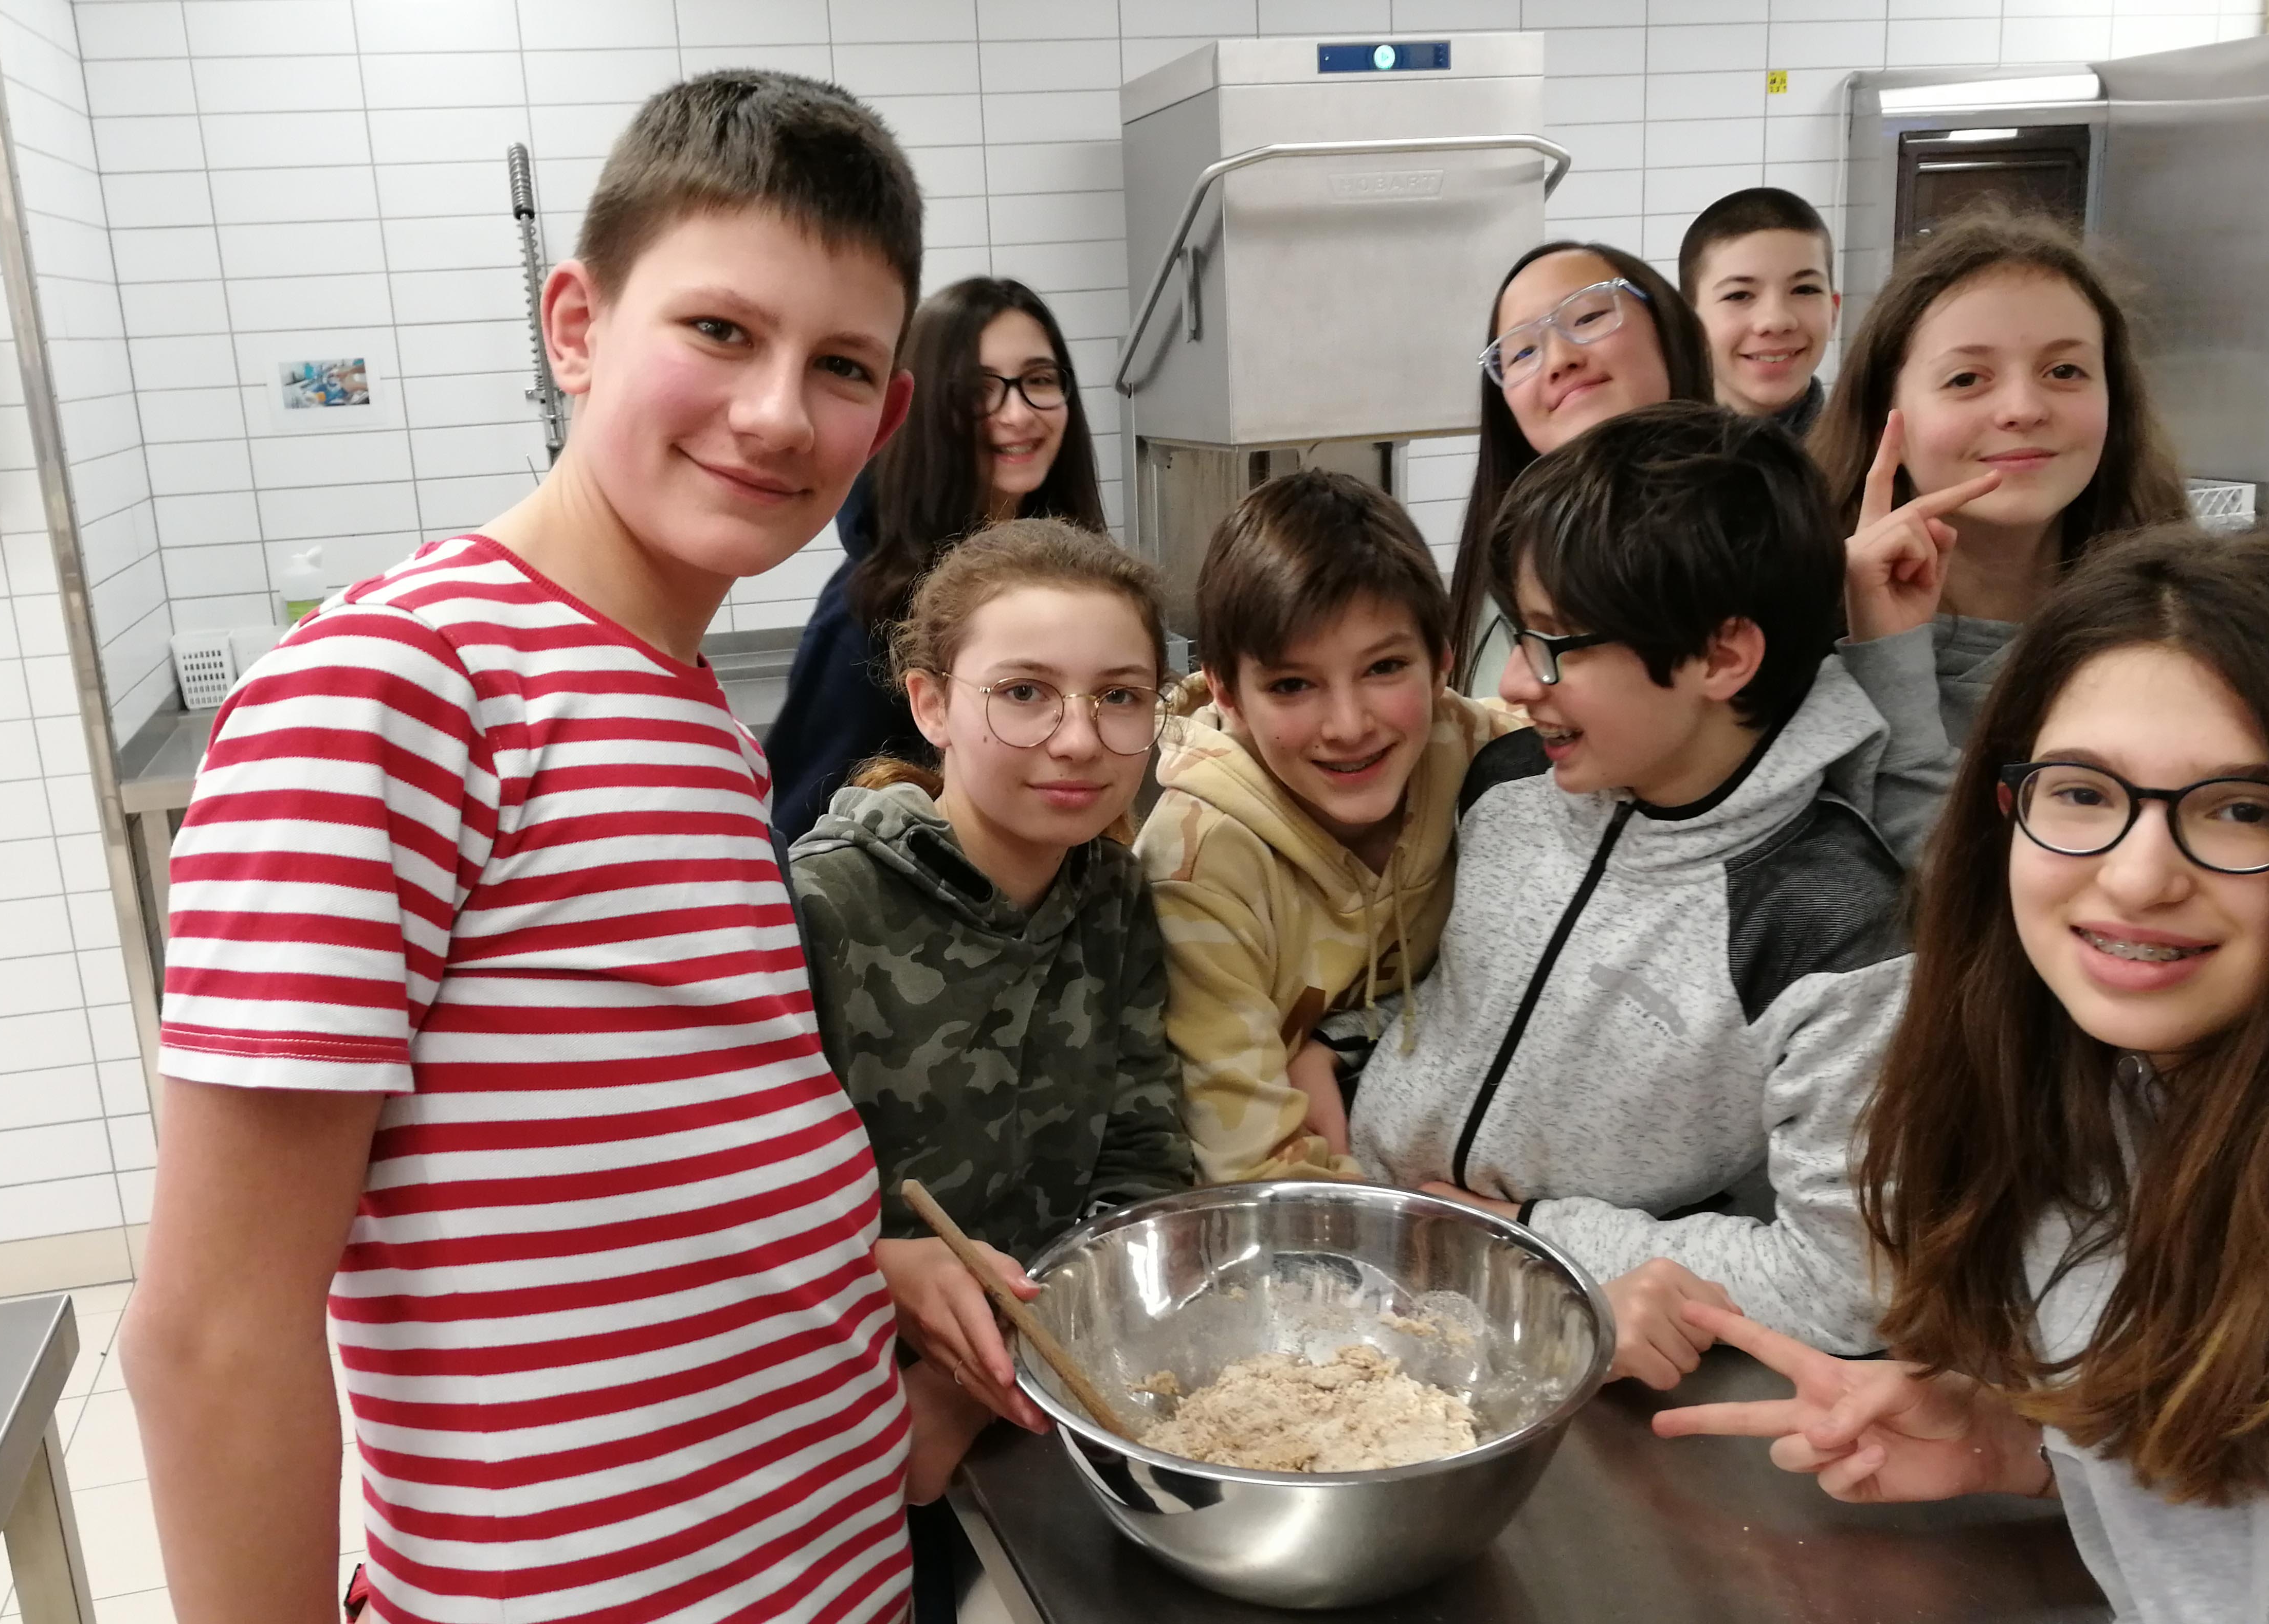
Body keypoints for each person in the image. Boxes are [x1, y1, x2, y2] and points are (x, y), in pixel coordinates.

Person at [122, 74, 927, 1624]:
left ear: (885, 417)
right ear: (576, 326)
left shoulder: (687, 711)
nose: (777, 413)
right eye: (719, 329)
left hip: (820, 1571)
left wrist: (856, 1265)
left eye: (838, 365)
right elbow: (212, 1337)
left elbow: (618, 1169)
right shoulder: (398, 687)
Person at [1655, 525, 2269, 1622]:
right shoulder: (2074, 1093)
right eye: (2081, 792)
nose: (2136, 877)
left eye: (2242, 808)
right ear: (2005, 812)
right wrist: (2035, 1446)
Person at [1342, 402, 1911, 1387]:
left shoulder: (1831, 918)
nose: (1514, 682)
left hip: (1570, 1344)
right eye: (1518, 633)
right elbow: (1451, 1000)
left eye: (1556, 642)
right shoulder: (1506, 781)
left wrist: (1531, 1231)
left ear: (1722, 656)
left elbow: (1845, 1281)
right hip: (1367, 1264)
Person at [789, 520, 1194, 1615]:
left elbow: (1142, 1156)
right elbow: (751, 1212)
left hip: (1041, 1382)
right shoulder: (818, 907)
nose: (1079, 739)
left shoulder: (1110, 892)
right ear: (930, 704)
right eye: (1023, 693)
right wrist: (900, 1322)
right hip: (835, 1419)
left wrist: (996, 1369)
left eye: (1119, 697)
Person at [1134, 470, 1521, 1183]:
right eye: (1291, 685)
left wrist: (1335, 1045)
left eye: (1384, 668)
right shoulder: (1198, 863)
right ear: (1227, 693)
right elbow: (1252, 1164)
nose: (1347, 726)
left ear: (1441, 661)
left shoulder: (1499, 764)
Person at [1814, 210, 2187, 860]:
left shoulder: (2178, 628)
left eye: (2064, 371)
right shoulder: (1786, 635)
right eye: (1966, 379)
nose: (2022, 409)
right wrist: (1884, 654)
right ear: (1883, 415)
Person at [767, 277, 1102, 843]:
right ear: (925, 410)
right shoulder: (870, 611)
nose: (1018, 414)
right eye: (979, 390)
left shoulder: (1079, 585)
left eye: (1039, 381)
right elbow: (804, 834)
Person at [1447, 240, 1712, 694]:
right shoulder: (1503, 580)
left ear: (1666, 324)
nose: (1559, 360)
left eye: (1588, 318)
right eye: (1522, 353)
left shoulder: (1760, 516)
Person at [1678, 187, 1840, 438]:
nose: (1776, 321)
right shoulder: (1647, 455)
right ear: (1687, 320)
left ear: (1833, 311)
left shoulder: (1873, 452)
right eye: (1739, 295)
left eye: (1804, 290)